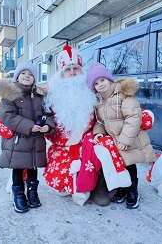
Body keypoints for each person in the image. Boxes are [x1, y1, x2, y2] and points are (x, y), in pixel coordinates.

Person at [43, 45, 112, 206]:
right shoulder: (52, 96)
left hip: (87, 143)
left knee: (101, 146)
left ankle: (99, 185)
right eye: (68, 69)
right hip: (62, 146)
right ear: (61, 73)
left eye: (76, 68)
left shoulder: (92, 92)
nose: (73, 72)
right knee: (62, 189)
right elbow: (47, 122)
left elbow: (104, 116)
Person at [87, 62, 156, 209]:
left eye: (102, 80)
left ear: (109, 79)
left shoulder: (123, 94)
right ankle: (124, 187)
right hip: (115, 140)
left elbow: (133, 117)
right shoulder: (100, 102)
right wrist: (98, 133)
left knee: (130, 164)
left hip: (130, 138)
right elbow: (100, 121)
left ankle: (133, 190)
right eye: (96, 83)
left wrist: (125, 139)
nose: (100, 85)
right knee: (120, 165)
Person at [0, 62, 54, 213]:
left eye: (31, 74)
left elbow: (48, 114)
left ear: (35, 78)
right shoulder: (10, 94)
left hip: (36, 139)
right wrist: (29, 126)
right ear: (17, 77)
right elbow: (7, 116)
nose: (27, 76)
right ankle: (18, 195)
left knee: (33, 167)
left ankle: (32, 193)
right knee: (18, 168)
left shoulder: (40, 96)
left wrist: (49, 126)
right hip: (18, 140)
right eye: (23, 73)